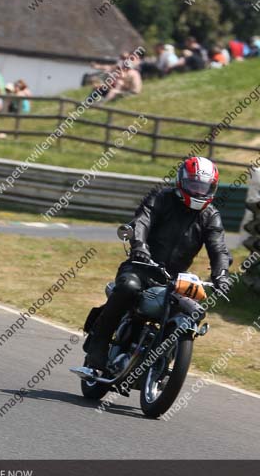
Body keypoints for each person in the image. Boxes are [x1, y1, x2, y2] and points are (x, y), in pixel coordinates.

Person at [85, 157, 232, 371]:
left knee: (192, 310)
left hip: (173, 279)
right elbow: (142, 221)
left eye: (204, 187)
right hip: (141, 266)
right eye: (193, 185)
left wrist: (222, 274)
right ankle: (99, 343)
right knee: (128, 288)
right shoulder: (161, 198)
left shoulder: (210, 216)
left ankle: (163, 359)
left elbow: (218, 248)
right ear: (181, 182)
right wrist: (140, 247)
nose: (199, 192)